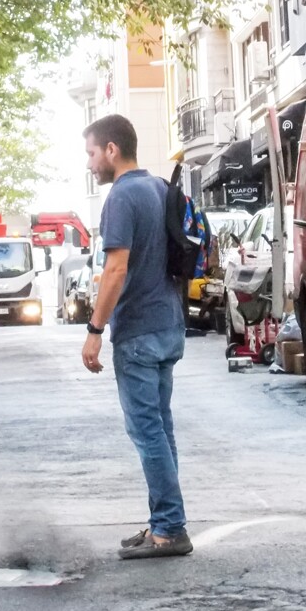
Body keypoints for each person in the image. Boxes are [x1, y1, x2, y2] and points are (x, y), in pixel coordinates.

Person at [81, 114, 192, 560]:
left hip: (140, 331)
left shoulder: (121, 197)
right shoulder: (159, 188)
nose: (89, 163)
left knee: (148, 432)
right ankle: (163, 523)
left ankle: (169, 529)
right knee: (160, 431)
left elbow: (116, 269)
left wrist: (94, 331)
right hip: (168, 324)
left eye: (91, 153)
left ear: (111, 150)